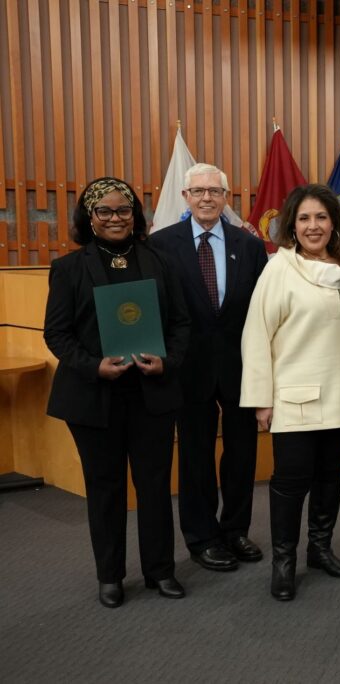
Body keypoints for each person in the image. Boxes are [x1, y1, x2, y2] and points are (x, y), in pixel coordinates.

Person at [43, 177, 190, 607]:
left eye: (123, 210)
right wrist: (94, 366)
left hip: (152, 392)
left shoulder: (159, 261)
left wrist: (169, 360)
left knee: (155, 485)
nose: (115, 218)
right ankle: (110, 576)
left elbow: (181, 324)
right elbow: (57, 333)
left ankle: (160, 571)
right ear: (89, 218)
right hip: (94, 396)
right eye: (103, 211)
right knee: (105, 488)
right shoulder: (69, 268)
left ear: (135, 215)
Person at [240, 184, 340, 601]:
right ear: (291, 225)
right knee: (291, 484)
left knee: (331, 477)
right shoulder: (279, 268)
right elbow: (256, 335)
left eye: (322, 217)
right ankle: (284, 562)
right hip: (294, 399)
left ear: (335, 223)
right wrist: (262, 398)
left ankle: (320, 549)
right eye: (304, 218)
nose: (313, 226)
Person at [149, 163, 268, 573]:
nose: (205, 198)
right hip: (187, 369)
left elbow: (263, 310)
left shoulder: (249, 246)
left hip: (240, 366)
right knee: (196, 456)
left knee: (241, 454)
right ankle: (201, 537)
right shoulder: (161, 246)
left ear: (226, 197)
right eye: (197, 191)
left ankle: (235, 530)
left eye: (214, 191)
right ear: (185, 197)